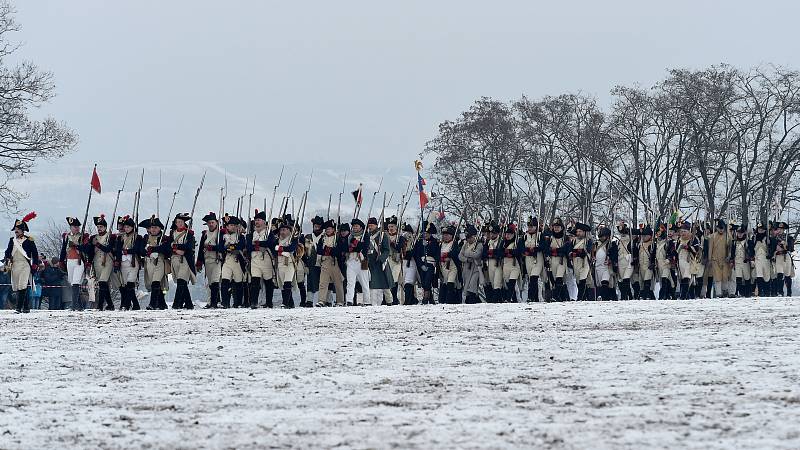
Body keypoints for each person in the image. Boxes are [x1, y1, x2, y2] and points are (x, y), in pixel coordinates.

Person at [4, 213, 40, 313]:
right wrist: (7, 258)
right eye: (15, 229)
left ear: (22, 230)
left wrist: (35, 265)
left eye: (18, 229)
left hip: (25, 265)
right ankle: (26, 307)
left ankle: (18, 308)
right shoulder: (12, 240)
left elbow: (35, 254)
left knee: (22, 285)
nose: (16, 231)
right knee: (16, 286)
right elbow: (8, 251)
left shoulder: (29, 240)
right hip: (15, 265)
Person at [246, 210, 277, 309]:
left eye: (259, 220)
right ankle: (253, 302)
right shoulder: (251, 234)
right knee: (255, 281)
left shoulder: (268, 233)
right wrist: (258, 246)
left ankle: (269, 302)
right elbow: (248, 246)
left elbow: (271, 243)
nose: (257, 222)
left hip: (266, 259)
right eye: (256, 220)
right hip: (255, 259)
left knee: (268, 282)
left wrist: (258, 244)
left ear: (264, 222)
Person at [139, 215, 170, 310]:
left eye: (155, 227)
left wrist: (155, 249)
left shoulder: (164, 238)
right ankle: (162, 303)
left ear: (159, 228)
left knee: (156, 282)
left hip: (160, 262)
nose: (153, 229)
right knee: (154, 283)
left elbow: (167, 249)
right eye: (152, 227)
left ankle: (152, 304)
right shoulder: (145, 238)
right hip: (149, 262)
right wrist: (146, 252)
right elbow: (140, 250)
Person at [60, 216, 90, 311]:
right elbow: (63, 250)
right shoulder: (66, 236)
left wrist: (77, 246)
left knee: (76, 282)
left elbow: (87, 249)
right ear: (71, 227)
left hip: (79, 261)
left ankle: (74, 305)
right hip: (69, 261)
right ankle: (79, 305)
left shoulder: (83, 236)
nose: (76, 228)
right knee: (72, 282)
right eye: (74, 226)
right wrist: (61, 261)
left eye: (77, 226)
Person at [167, 213, 196, 309]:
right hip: (175, 259)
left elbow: (189, 247)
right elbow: (168, 246)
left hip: (185, 260)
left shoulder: (189, 233)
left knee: (181, 281)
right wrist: (175, 249)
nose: (179, 224)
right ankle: (189, 304)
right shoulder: (172, 233)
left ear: (184, 222)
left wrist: (177, 247)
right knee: (182, 283)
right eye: (177, 222)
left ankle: (176, 304)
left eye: (181, 222)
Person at [113, 215, 142, 310]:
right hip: (123, 263)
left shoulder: (137, 237)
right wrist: (117, 261)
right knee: (126, 286)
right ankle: (136, 305)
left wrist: (128, 251)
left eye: (128, 227)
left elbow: (137, 249)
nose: (126, 228)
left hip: (133, 263)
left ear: (132, 227)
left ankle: (125, 304)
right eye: (125, 227)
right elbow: (118, 250)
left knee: (130, 284)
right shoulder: (121, 237)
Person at [315, 219, 346, 307]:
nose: (328, 230)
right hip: (325, 261)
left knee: (338, 282)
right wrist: (327, 251)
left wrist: (330, 250)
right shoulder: (322, 238)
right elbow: (319, 250)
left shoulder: (338, 238)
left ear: (333, 229)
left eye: (330, 229)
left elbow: (340, 250)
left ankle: (340, 301)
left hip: (335, 262)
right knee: (323, 282)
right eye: (327, 229)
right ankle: (321, 300)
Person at [219, 214, 246, 308]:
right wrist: (227, 248)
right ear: (227, 226)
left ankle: (238, 303)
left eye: (234, 225)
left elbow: (241, 246)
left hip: (237, 261)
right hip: (227, 260)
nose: (233, 227)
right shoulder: (223, 236)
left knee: (238, 282)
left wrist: (231, 247)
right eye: (231, 225)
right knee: (225, 281)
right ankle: (225, 302)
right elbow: (220, 247)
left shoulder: (240, 236)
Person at [197, 212, 223, 308]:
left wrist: (213, 248)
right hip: (207, 260)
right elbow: (200, 249)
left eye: (212, 222)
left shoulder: (220, 233)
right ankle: (211, 301)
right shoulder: (205, 234)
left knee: (215, 281)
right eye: (209, 223)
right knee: (210, 282)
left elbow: (222, 247)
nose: (211, 224)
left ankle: (214, 303)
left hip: (216, 260)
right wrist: (199, 262)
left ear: (216, 223)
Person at [90, 215, 115, 310]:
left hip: (107, 261)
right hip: (97, 262)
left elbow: (108, 249)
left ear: (105, 227)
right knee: (103, 284)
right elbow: (90, 251)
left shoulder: (110, 236)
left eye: (101, 227)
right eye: (98, 227)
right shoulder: (94, 237)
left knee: (102, 282)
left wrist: (97, 244)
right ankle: (110, 304)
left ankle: (100, 305)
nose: (99, 228)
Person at [366, 217, 392, 306]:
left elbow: (387, 250)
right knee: (373, 284)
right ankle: (373, 303)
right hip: (370, 263)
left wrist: (381, 258)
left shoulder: (382, 235)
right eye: (369, 225)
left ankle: (389, 301)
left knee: (384, 283)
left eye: (371, 225)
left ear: (376, 225)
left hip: (380, 262)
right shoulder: (367, 236)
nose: (370, 227)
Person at [345, 218, 370, 306]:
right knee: (350, 282)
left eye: (356, 226)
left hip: (362, 261)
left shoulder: (365, 235)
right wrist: (355, 245)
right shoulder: (349, 236)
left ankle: (367, 301)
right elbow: (347, 248)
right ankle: (349, 300)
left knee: (364, 282)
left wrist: (355, 243)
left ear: (361, 227)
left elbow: (365, 247)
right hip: (351, 260)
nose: (355, 227)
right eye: (354, 226)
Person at [413, 222, 439, 305]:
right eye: (424, 233)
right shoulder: (419, 242)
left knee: (428, 281)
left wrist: (428, 246)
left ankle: (425, 298)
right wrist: (420, 265)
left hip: (431, 264)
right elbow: (416, 254)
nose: (425, 235)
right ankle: (430, 299)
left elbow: (436, 254)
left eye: (427, 233)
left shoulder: (435, 242)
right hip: (422, 264)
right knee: (423, 282)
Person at [520, 217, 544, 303]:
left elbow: (543, 246)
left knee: (534, 277)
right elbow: (520, 247)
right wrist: (525, 251)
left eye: (532, 226)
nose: (529, 228)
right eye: (528, 226)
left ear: (536, 227)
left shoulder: (540, 235)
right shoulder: (525, 236)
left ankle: (530, 297)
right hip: (528, 259)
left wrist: (535, 249)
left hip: (538, 259)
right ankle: (536, 298)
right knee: (532, 279)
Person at [460, 224, 483, 304]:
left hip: (476, 268)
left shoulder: (479, 244)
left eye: (470, 237)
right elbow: (460, 256)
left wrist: (467, 253)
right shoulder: (465, 245)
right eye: (467, 238)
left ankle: (471, 301)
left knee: (472, 285)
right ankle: (474, 301)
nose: (468, 239)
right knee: (467, 286)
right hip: (467, 268)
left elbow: (477, 255)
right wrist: (467, 259)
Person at [438, 225, 461, 304]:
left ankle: (449, 301)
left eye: (447, 235)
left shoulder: (454, 243)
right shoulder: (441, 245)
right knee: (444, 283)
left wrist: (448, 255)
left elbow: (455, 253)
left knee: (450, 283)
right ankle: (443, 300)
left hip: (452, 267)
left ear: (452, 236)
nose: (446, 236)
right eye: (444, 235)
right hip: (443, 267)